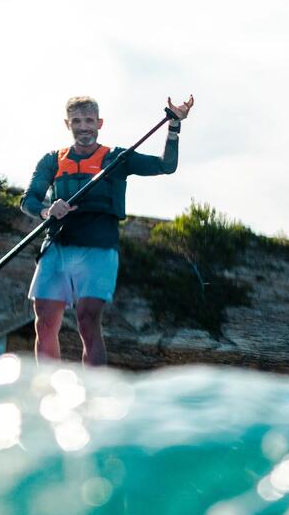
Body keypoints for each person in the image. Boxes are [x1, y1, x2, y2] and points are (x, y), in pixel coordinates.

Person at [19, 94, 193, 365]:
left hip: (98, 249)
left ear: (100, 123)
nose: (83, 126)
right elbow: (28, 200)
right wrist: (46, 210)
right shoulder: (52, 160)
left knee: (87, 321)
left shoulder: (117, 158)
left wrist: (174, 127)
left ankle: (93, 393)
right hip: (57, 246)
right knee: (44, 322)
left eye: (89, 120)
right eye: (77, 121)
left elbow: (166, 166)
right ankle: (46, 388)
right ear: (68, 124)